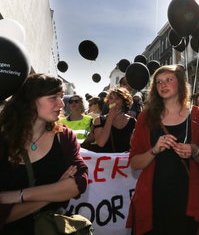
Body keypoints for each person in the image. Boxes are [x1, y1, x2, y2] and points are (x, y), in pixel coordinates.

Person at [127, 65, 199, 235]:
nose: (163, 85)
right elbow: (135, 163)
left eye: (168, 80)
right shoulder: (145, 117)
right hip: (153, 199)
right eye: (158, 82)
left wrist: (194, 151)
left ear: (180, 84)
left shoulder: (196, 115)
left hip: (187, 200)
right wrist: (154, 150)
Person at [0, 74, 88, 234]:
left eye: (61, 97)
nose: (62, 103)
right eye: (53, 97)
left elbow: (79, 183)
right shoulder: (4, 139)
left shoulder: (64, 136)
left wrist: (17, 196)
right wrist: (55, 192)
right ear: (30, 100)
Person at [91, 87, 136, 152]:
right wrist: (110, 119)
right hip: (106, 160)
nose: (113, 101)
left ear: (123, 102)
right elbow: (101, 143)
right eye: (111, 98)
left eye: (117, 98)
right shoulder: (99, 120)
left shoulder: (132, 121)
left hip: (125, 160)